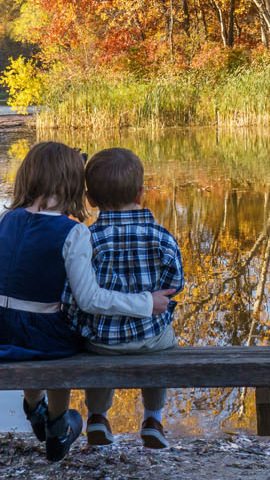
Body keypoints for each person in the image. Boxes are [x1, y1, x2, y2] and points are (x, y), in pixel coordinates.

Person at [0, 140, 175, 462]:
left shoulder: (6, 218)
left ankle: (34, 406)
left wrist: (1, 300)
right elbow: (89, 299)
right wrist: (145, 303)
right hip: (39, 334)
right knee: (64, 337)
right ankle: (58, 426)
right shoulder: (72, 232)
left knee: (34, 327)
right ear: (74, 183)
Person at [65, 147, 184, 449]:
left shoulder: (87, 239)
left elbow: (71, 297)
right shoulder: (162, 237)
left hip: (103, 340)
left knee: (93, 346)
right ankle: (154, 419)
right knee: (165, 340)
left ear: (90, 199)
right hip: (151, 337)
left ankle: (97, 417)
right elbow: (175, 285)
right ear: (141, 193)